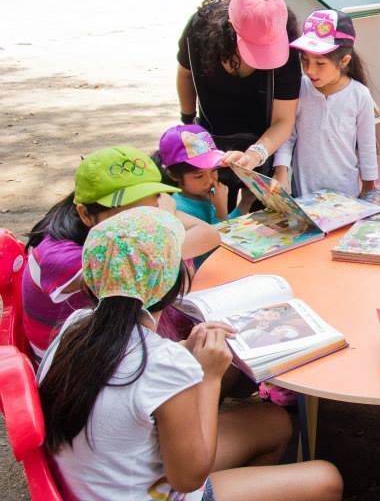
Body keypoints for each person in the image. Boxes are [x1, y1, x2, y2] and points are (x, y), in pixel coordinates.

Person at [37, 207, 343, 501]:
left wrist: (188, 350)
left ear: (92, 280)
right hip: (151, 489)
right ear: (172, 285)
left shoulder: (76, 327)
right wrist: (209, 378)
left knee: (275, 422)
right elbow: (187, 479)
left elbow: (131, 373)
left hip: (101, 479)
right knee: (327, 479)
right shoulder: (164, 364)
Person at [21, 146, 220, 360]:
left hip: (112, 341)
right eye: (129, 215)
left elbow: (209, 235)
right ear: (85, 214)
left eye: (149, 212)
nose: (141, 226)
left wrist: (161, 220)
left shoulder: (119, 232)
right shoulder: (62, 257)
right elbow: (155, 255)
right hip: (81, 366)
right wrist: (165, 217)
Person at [175, 0, 300, 208]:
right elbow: (185, 74)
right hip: (210, 140)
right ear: (231, 29)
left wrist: (255, 154)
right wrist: (187, 121)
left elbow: (284, 119)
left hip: (263, 146)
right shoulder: (200, 30)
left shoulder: (289, 45)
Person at [272, 9, 378, 198]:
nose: (310, 70)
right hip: (304, 194)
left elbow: (367, 147)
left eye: (320, 64)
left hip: (346, 196)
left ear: (344, 61)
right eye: (305, 60)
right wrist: (280, 172)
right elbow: (287, 136)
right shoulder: (299, 88)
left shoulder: (359, 95)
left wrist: (369, 189)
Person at [155, 125, 252, 266]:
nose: (210, 180)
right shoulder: (180, 209)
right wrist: (220, 211)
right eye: (199, 176)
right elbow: (213, 246)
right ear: (174, 175)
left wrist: (245, 202)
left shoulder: (204, 196)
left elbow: (225, 225)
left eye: (213, 170)